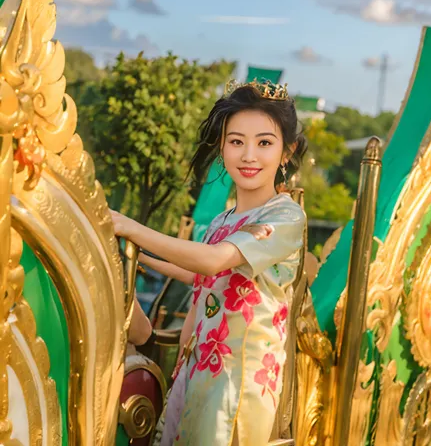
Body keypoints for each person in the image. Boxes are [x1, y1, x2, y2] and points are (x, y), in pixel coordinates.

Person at [111, 79, 307, 446]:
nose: (249, 155)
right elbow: (198, 274)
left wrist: (134, 228)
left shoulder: (285, 215)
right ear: (222, 147)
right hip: (198, 370)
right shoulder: (222, 220)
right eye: (237, 142)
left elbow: (215, 261)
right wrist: (138, 255)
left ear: (286, 152)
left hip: (239, 384)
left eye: (264, 143)